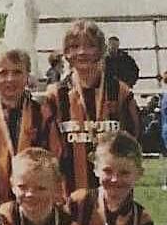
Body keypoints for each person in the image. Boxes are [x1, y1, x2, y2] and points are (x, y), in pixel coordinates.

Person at [0, 48, 59, 225]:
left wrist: (43, 193)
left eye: (17, 72)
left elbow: (53, 155)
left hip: (37, 204)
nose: (10, 79)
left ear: (27, 76)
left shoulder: (42, 113)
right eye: (2, 73)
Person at [47, 20, 141, 194]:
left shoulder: (120, 92)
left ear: (101, 50)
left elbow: (133, 141)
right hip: (69, 195)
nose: (82, 52)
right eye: (74, 46)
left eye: (90, 46)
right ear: (66, 53)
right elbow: (48, 150)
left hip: (114, 193)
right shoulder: (55, 96)